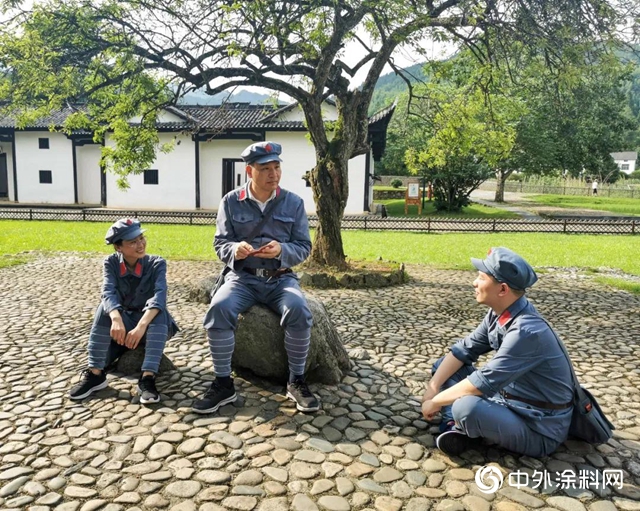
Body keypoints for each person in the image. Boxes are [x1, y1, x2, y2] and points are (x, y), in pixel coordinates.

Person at [194, 141, 319, 415]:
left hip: (280, 279)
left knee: (298, 308)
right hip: (243, 279)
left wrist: (282, 251)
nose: (273, 174)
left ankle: (296, 380)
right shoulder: (230, 201)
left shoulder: (293, 202)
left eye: (277, 167)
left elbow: (304, 247)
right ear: (250, 171)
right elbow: (220, 244)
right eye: (265, 169)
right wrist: (234, 250)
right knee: (219, 308)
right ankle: (223, 382)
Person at [422, 247, 574, 458]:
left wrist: (436, 401)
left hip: (537, 426)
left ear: (502, 290)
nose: (474, 283)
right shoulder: (500, 313)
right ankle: (454, 426)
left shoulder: (527, 332)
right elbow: (463, 350)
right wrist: (434, 387)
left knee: (466, 407)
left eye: (481, 278)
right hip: (506, 400)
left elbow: (483, 381)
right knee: (444, 367)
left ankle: (459, 423)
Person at [69, 219, 178, 404]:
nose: (140, 244)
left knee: (160, 311)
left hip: (151, 326)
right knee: (103, 309)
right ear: (118, 248)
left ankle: (147, 378)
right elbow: (108, 292)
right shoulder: (111, 262)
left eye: (141, 238)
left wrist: (140, 327)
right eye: (133, 242)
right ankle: (96, 374)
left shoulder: (156, 263)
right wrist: (116, 319)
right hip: (124, 323)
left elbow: (159, 296)